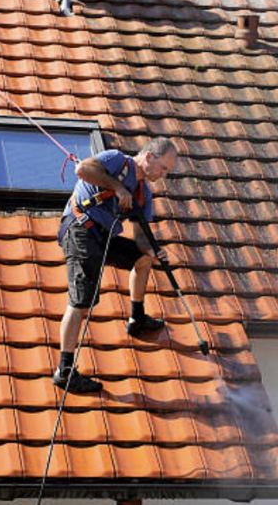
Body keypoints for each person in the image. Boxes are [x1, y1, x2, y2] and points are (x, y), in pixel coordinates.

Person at [53, 137, 178, 393]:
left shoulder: (145, 194)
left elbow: (141, 237)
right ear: (150, 157)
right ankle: (65, 371)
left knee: (143, 259)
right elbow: (83, 170)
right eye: (164, 168)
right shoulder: (117, 160)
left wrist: (154, 250)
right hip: (81, 229)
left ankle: (137, 317)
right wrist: (119, 188)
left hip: (104, 237)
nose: (164, 175)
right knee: (82, 301)